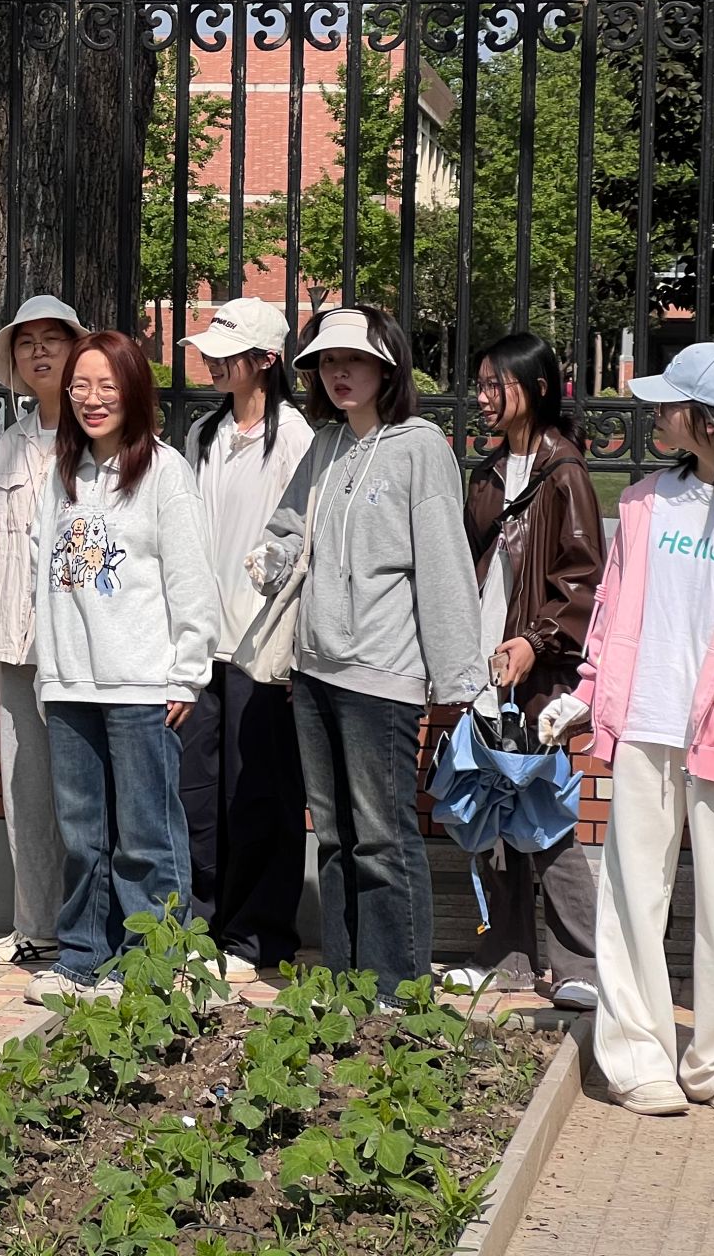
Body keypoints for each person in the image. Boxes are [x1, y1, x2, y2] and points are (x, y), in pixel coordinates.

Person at [542, 342, 714, 1116]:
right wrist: (588, 692)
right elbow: (611, 613)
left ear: (708, 420)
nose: (654, 413)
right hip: (646, 723)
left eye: (670, 404)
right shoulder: (646, 503)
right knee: (634, 894)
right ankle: (638, 1056)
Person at [248, 305, 483, 1001]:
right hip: (314, 670)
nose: (339, 373)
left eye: (354, 360)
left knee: (382, 837)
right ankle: (345, 982)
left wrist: (458, 677)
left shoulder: (421, 448)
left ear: (388, 368)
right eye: (327, 361)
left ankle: (397, 990)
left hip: (384, 676)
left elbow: (444, 565)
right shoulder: (324, 445)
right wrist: (271, 558)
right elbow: (288, 527)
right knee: (334, 836)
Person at [22, 330, 219, 1004]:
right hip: (71, 684)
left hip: (142, 685)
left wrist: (186, 672)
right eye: (80, 386)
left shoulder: (165, 473)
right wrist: (49, 674)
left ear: (134, 391)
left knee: (146, 838)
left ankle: (153, 967)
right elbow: (44, 581)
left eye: (107, 386)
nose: (92, 399)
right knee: (83, 837)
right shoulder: (63, 475)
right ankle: (82, 958)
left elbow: (192, 582)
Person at [440, 333, 604, 1010]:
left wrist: (536, 642)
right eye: (478, 384)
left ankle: (581, 964)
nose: (481, 397)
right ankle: (504, 958)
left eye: (494, 384)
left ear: (535, 388)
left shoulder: (565, 473)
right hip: (485, 665)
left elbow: (583, 578)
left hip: (536, 671)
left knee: (544, 815)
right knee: (491, 807)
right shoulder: (486, 474)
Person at [178, 297, 315, 983]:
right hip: (203, 644)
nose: (212, 361)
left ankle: (259, 935)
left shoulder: (295, 438)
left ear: (266, 360)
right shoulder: (202, 434)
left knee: (259, 792)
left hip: (264, 647)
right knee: (198, 793)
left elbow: (304, 538)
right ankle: (200, 925)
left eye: (226, 352)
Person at [0, 295, 86, 968]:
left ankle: (93, 932)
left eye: (51, 339)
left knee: (84, 795)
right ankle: (37, 927)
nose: (39, 352)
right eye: (26, 343)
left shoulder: (103, 438)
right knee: (25, 793)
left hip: (85, 647)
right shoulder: (11, 443)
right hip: (16, 642)